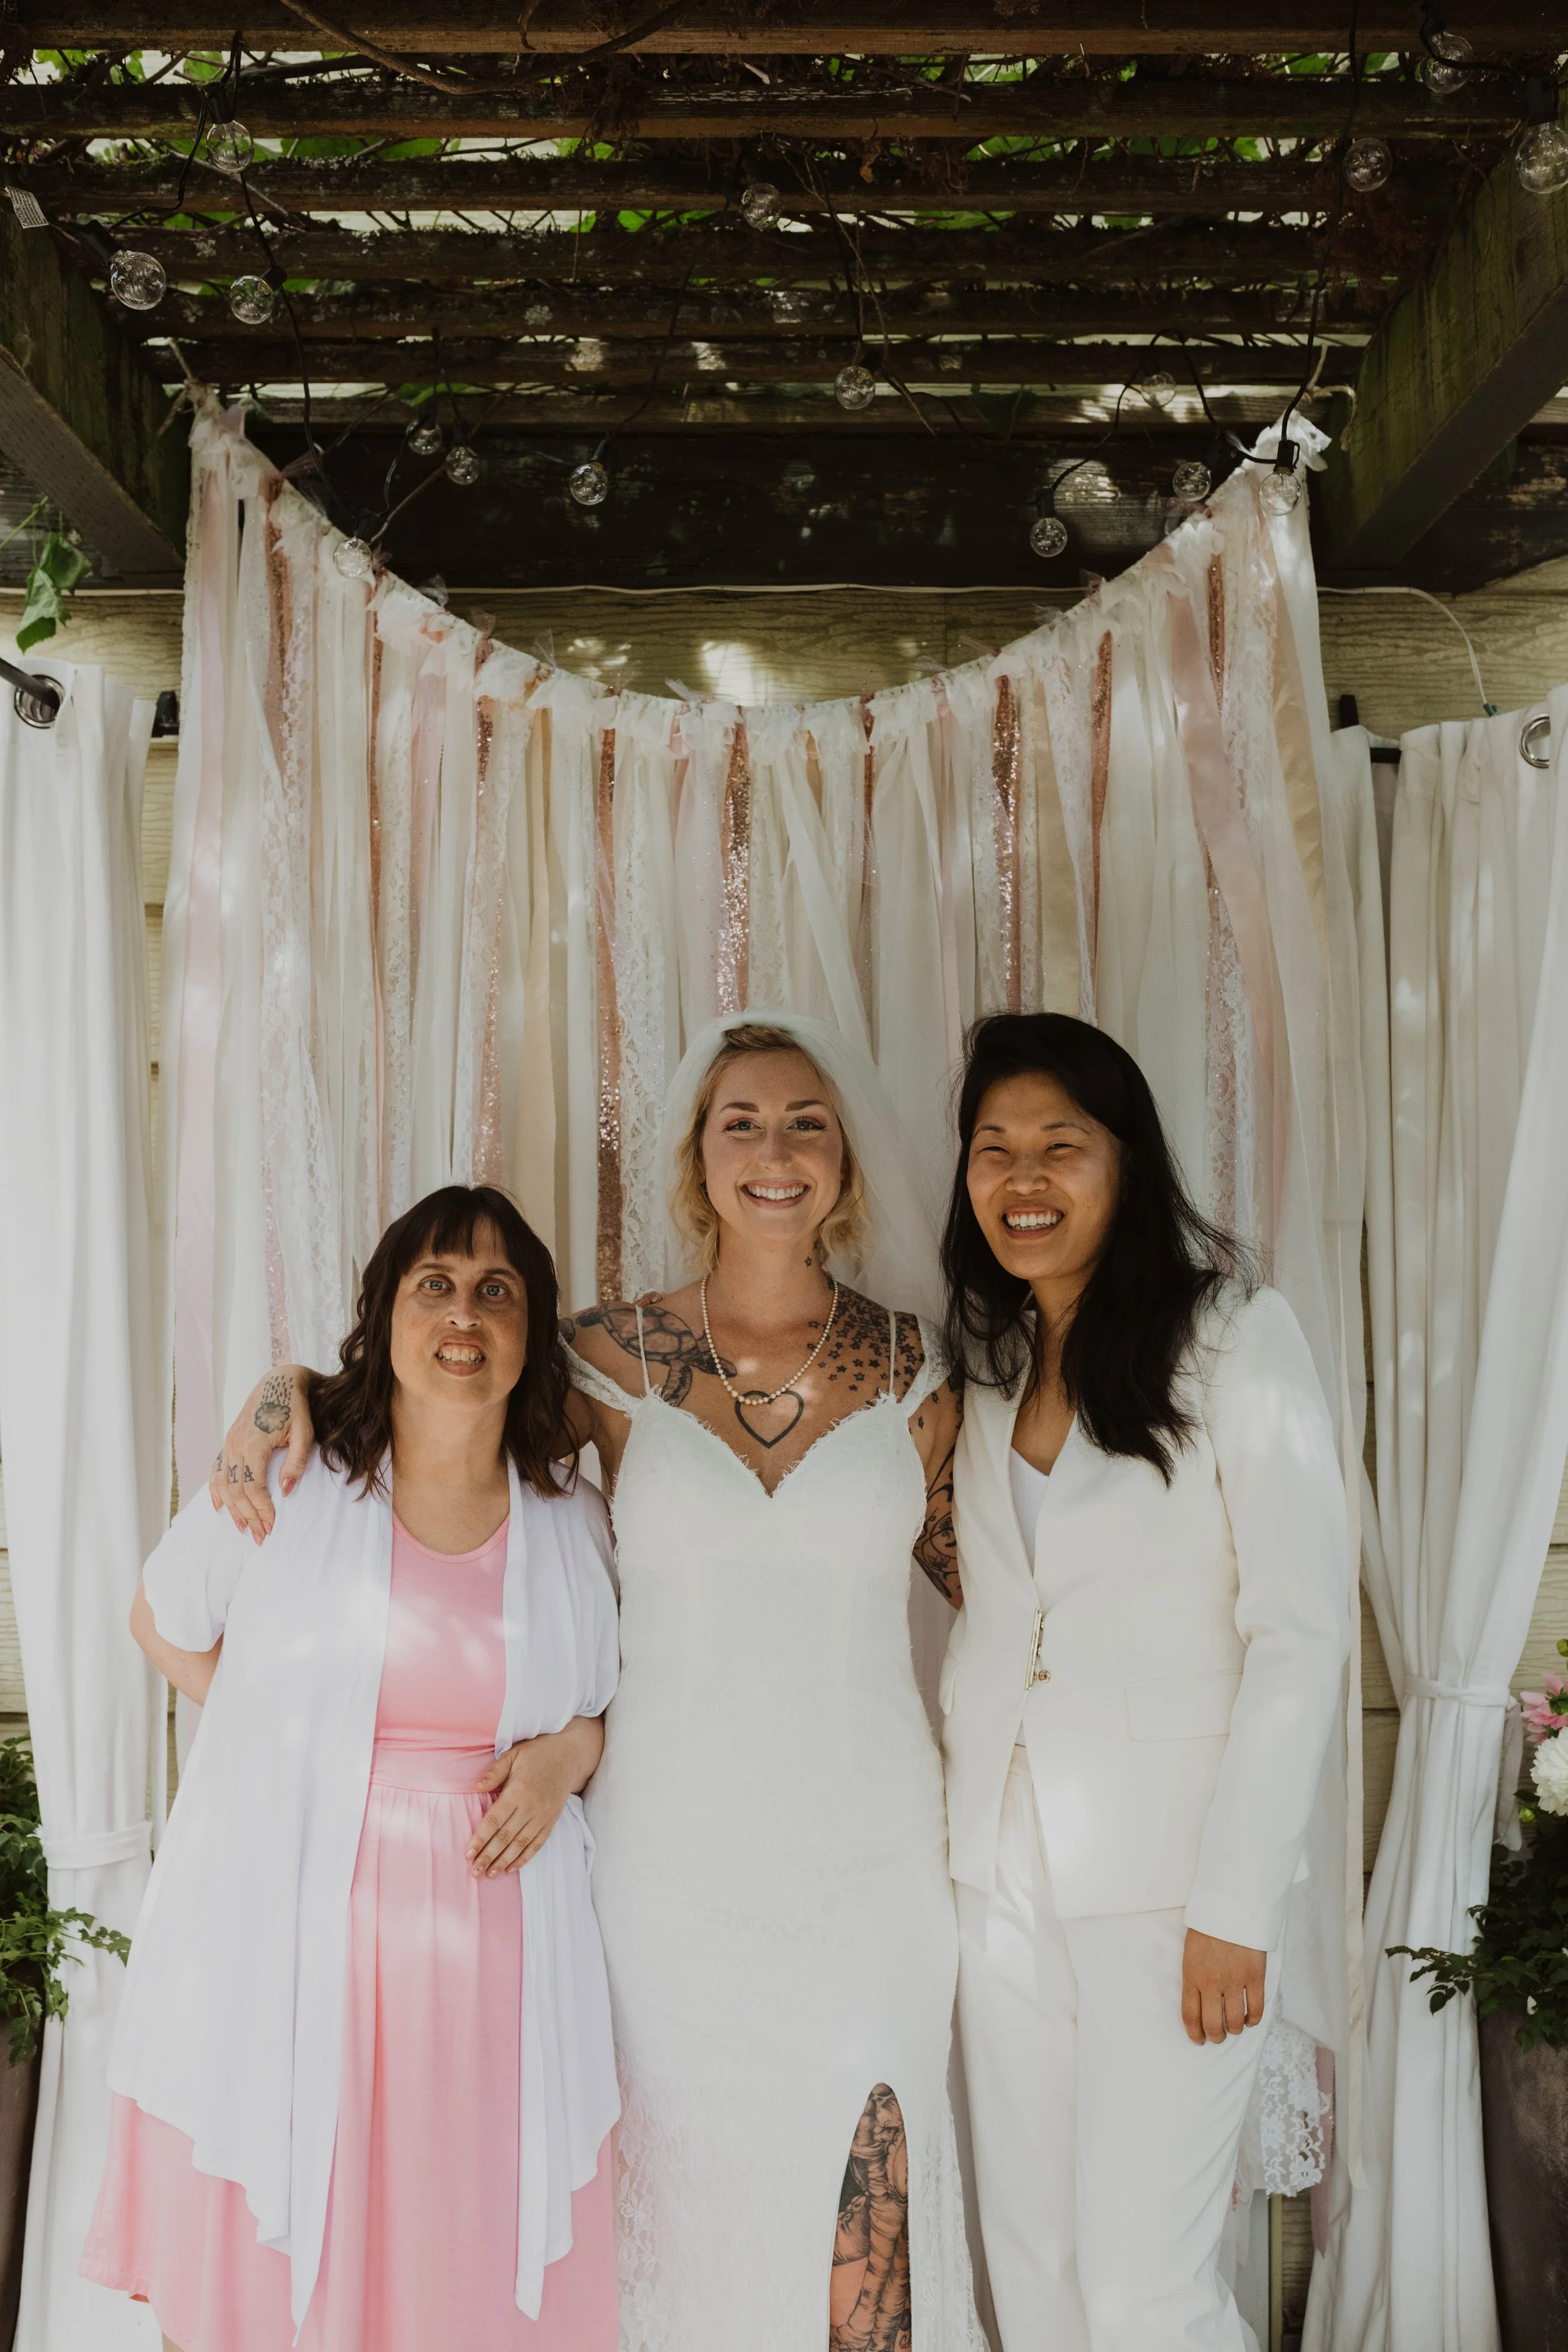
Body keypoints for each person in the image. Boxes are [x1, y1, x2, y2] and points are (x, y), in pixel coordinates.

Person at [212, 1014, 987, 2352]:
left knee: (873, 2194)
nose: (774, 1150)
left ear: (846, 1160)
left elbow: (995, 1584)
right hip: (666, 1869)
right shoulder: (595, 1362)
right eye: (740, 1121)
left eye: (805, 1121)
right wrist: (286, 1391)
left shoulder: (918, 1373)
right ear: (697, 1158)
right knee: (677, 2213)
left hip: (870, 1866)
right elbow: (433, 1413)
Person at [84, 1185, 622, 2352]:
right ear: (382, 1315)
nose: (464, 1312)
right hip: (299, 1929)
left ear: (530, 1330)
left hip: (495, 1959)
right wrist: (293, 1741)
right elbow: (160, 1617)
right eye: (434, 1284)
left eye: (497, 1290)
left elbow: (627, 1701)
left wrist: (573, 1752)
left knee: (457, 2260)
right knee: (287, 2259)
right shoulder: (292, 1472)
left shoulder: (571, 1512)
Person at [938, 1012, 1349, 2352]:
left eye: (1060, 1146)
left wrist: (1234, 1901)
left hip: (1174, 1892)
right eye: (991, 1148)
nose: (1021, 1178)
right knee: (1037, 2273)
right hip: (997, 1879)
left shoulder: (1235, 1332)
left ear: (1127, 1162)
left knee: (1143, 2294)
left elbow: (1299, 1629)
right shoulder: (992, 1368)